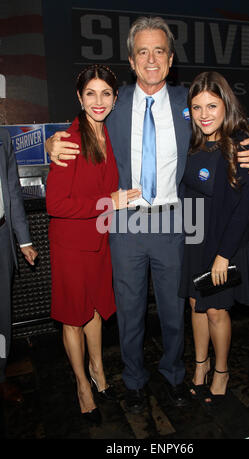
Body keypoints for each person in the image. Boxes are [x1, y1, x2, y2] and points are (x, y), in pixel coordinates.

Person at [45, 17, 249, 414]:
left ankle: (174, 376)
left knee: (174, 311)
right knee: (128, 312)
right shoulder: (114, 103)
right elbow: (81, 126)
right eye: (143, 52)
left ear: (170, 59)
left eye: (159, 51)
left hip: (175, 221)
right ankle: (133, 380)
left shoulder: (189, 101)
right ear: (132, 60)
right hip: (126, 221)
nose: (151, 59)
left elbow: (229, 123)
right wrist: (52, 141)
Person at [45, 64, 141, 423]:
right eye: (90, 93)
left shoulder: (110, 134)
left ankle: (99, 372)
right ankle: (83, 386)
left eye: (105, 94)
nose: (98, 101)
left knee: (96, 311)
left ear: (115, 99)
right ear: (79, 98)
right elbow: (56, 206)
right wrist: (109, 203)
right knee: (74, 318)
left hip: (100, 240)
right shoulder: (68, 141)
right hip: (71, 245)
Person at [179, 71, 249, 406]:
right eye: (197, 107)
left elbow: (245, 210)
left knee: (215, 311)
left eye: (212, 106)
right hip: (195, 237)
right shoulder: (193, 140)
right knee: (195, 305)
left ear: (225, 105)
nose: (204, 114)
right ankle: (200, 365)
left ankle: (222, 371)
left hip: (225, 243)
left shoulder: (244, 144)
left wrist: (223, 255)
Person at [0, 127, 38, 404]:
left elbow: (12, 190)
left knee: (2, 317)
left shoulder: (2, 137)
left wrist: (23, 240)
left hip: (1, 236)